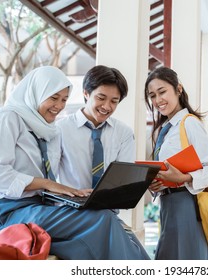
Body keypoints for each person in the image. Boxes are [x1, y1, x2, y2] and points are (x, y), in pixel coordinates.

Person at [0, 65, 149, 260]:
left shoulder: (47, 129)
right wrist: (50, 185)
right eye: (53, 98)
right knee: (105, 219)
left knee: (97, 240)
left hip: (39, 208)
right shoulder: (8, 117)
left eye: (64, 100)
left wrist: (74, 196)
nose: (59, 106)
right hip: (10, 212)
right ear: (37, 92)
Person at [56, 64, 150, 259]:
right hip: (71, 214)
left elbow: (123, 182)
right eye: (101, 98)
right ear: (86, 93)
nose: (107, 107)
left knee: (135, 252)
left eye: (114, 101)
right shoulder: (61, 130)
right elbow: (48, 179)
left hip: (107, 213)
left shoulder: (123, 133)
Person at [144, 66, 208, 260]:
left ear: (178, 89)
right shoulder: (166, 129)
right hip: (168, 203)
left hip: (186, 204)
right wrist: (156, 184)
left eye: (162, 92)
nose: (158, 100)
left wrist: (183, 177)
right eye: (152, 96)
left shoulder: (190, 124)